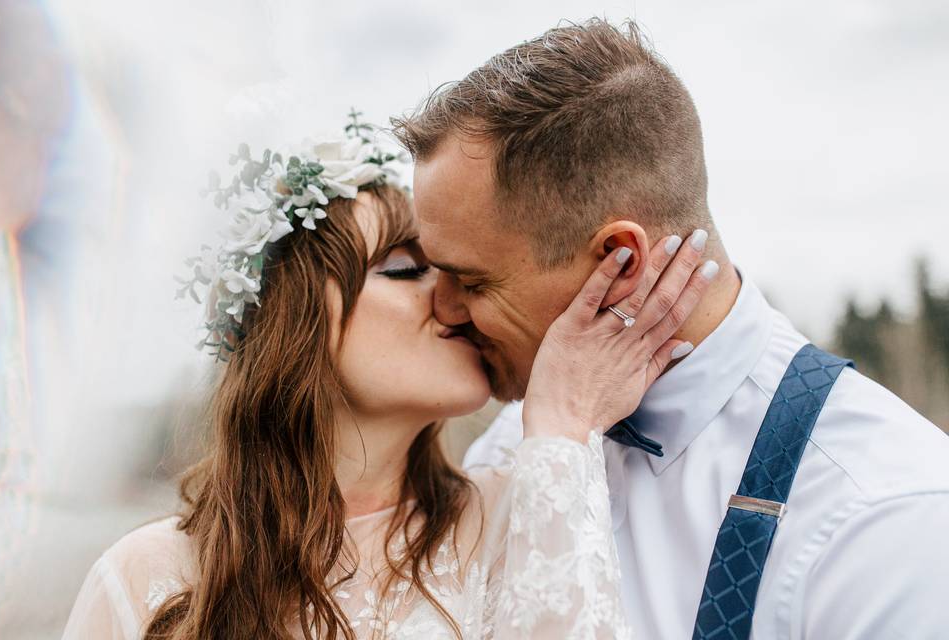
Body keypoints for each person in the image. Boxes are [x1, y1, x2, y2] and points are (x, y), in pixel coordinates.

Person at [393, 17, 949, 640]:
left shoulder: (883, 515)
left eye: (472, 282)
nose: (441, 308)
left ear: (621, 262)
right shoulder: (510, 448)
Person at [62, 128, 714, 639]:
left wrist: (563, 428)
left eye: (459, 273)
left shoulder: (525, 514)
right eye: (404, 268)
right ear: (294, 319)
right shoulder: (147, 577)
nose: (454, 303)